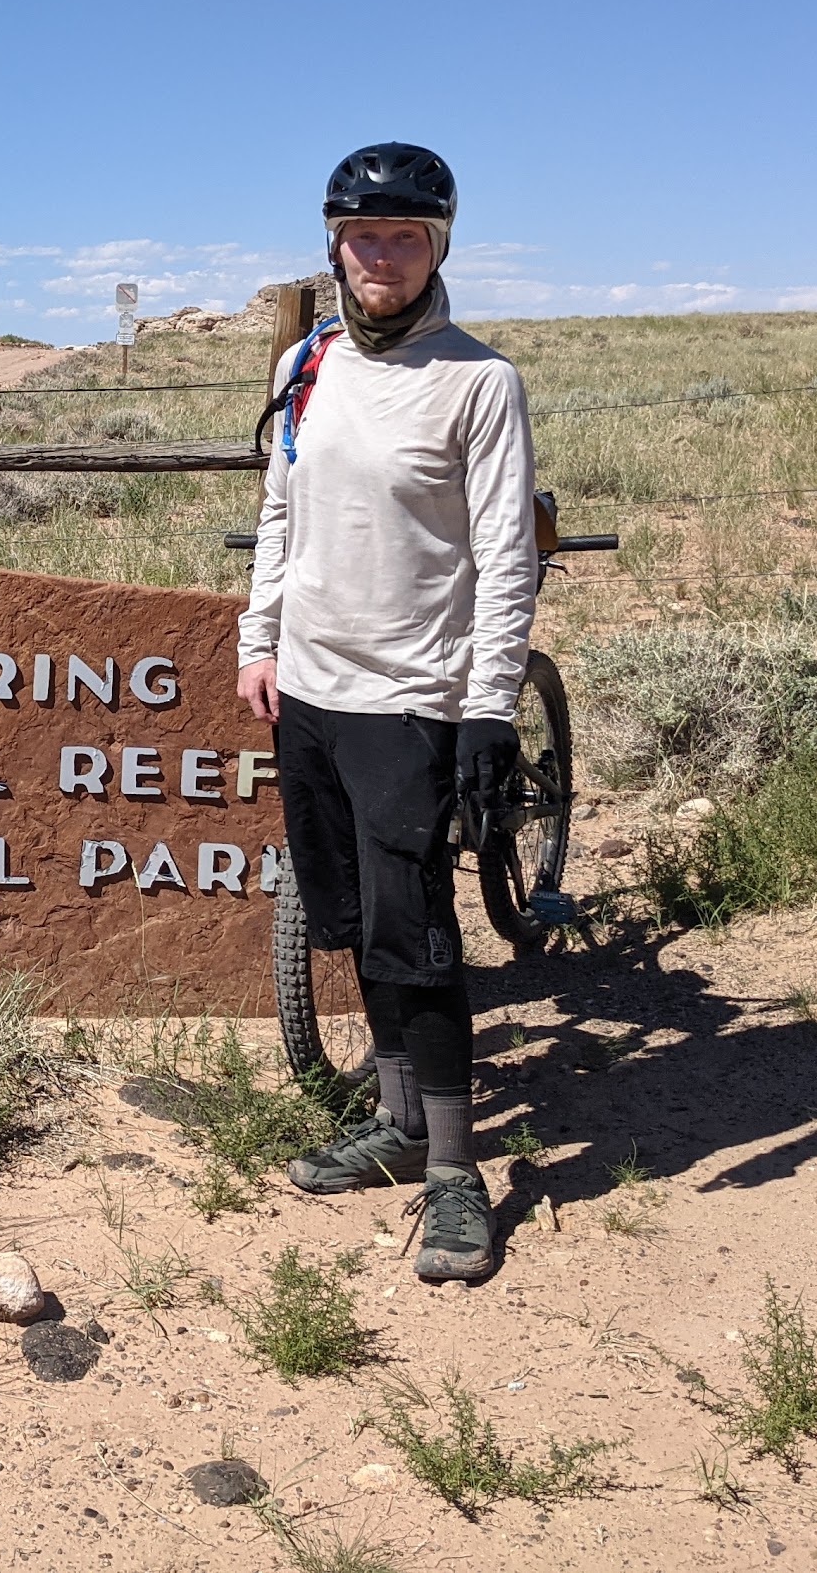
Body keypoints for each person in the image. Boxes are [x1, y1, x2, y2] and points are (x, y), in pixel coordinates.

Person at [235, 142, 537, 1285]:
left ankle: (454, 1170)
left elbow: (503, 555)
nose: (381, 256)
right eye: (363, 236)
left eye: (404, 237)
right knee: (352, 916)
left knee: (415, 931)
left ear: (437, 247)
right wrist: (257, 639)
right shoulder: (308, 362)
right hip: (309, 689)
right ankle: (401, 1125)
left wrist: (487, 707)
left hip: (411, 694)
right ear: (332, 244)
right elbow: (280, 510)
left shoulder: (477, 383)